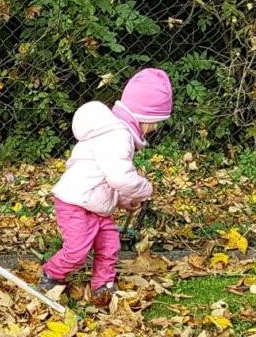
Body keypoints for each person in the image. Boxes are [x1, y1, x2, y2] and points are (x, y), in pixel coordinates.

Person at [39, 67, 172, 307]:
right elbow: (120, 177)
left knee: (109, 245)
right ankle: (51, 274)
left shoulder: (117, 133)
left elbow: (106, 177)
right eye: (154, 124)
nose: (153, 130)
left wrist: (122, 199)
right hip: (76, 203)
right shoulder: (117, 135)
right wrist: (145, 189)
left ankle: (103, 284)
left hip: (96, 205)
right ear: (145, 118)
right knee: (77, 251)